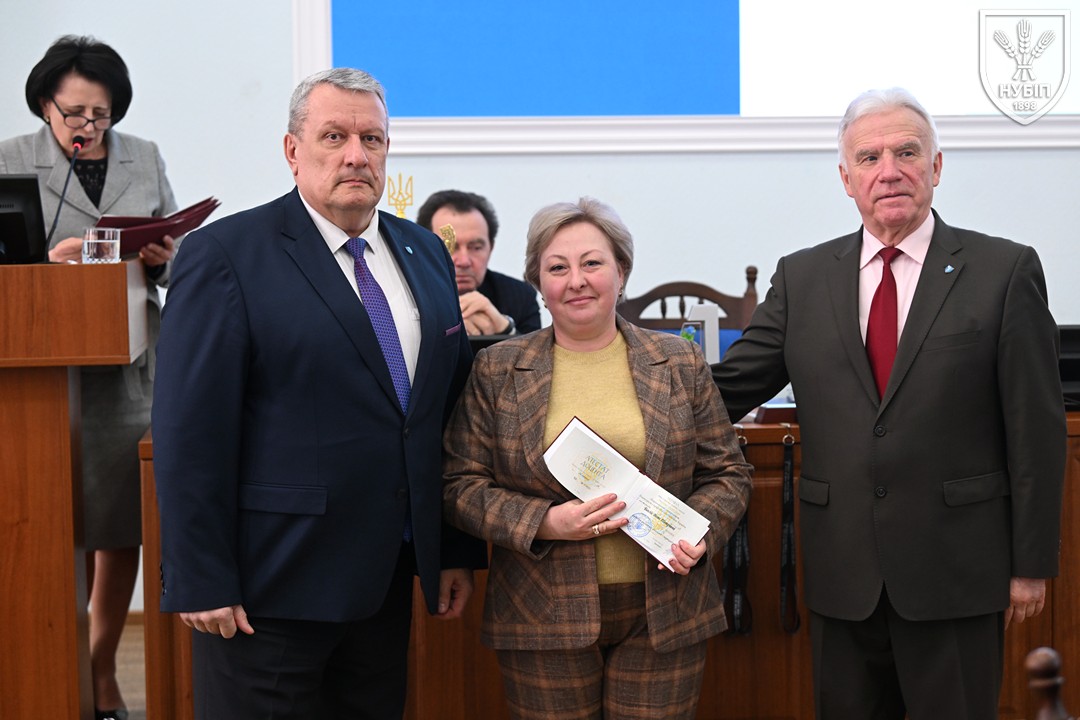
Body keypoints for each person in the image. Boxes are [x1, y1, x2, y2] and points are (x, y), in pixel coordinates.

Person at [712, 88, 1066, 719]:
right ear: (846, 179)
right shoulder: (802, 277)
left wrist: (1030, 564)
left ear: (936, 166)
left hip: (957, 571)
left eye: (907, 152)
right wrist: (611, 364)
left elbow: (1035, 430)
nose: (889, 170)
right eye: (869, 157)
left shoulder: (1003, 270)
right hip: (842, 573)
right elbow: (728, 388)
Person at [152, 68, 486, 718]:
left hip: (387, 579)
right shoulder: (225, 254)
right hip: (268, 588)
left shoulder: (424, 252)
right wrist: (200, 575)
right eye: (334, 136)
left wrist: (452, 548)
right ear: (292, 150)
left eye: (371, 139)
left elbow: (446, 417)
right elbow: (190, 430)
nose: (356, 155)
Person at [443, 197, 753, 719]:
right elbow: (459, 484)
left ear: (621, 271)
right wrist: (545, 522)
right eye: (557, 268)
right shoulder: (496, 369)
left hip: (667, 609)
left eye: (592, 263)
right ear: (538, 283)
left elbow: (728, 473)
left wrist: (697, 534)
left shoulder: (679, 360)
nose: (577, 281)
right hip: (542, 611)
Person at [0, 35, 178, 720]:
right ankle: (56, 669)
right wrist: (49, 264)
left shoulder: (145, 157)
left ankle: (101, 669)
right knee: (52, 521)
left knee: (119, 523)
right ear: (45, 104)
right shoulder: (11, 160)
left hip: (129, 364)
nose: (88, 126)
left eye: (101, 114)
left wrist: (162, 257)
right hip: (42, 374)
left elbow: (174, 261)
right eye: (75, 113)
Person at [417, 189, 541, 335]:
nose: (464, 261)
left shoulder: (519, 297)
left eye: (476, 247)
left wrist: (507, 330)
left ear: (491, 248)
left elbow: (538, 350)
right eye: (449, 247)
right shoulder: (404, 294)